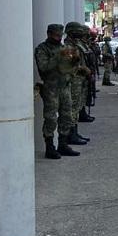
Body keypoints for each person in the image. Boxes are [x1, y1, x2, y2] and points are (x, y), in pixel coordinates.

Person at [34, 24, 81, 159]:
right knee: (51, 118)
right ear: (49, 34)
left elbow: (71, 66)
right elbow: (44, 67)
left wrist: (74, 61)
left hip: (64, 86)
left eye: (60, 35)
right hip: (51, 88)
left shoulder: (63, 48)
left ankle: (63, 144)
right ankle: (49, 147)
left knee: (67, 116)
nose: (59, 38)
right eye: (56, 35)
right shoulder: (42, 49)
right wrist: (58, 56)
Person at [63, 22, 92, 145]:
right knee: (72, 107)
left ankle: (74, 132)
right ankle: (70, 134)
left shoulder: (76, 45)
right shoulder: (67, 46)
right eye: (77, 32)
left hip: (80, 80)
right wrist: (82, 69)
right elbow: (68, 65)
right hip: (73, 80)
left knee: (76, 105)